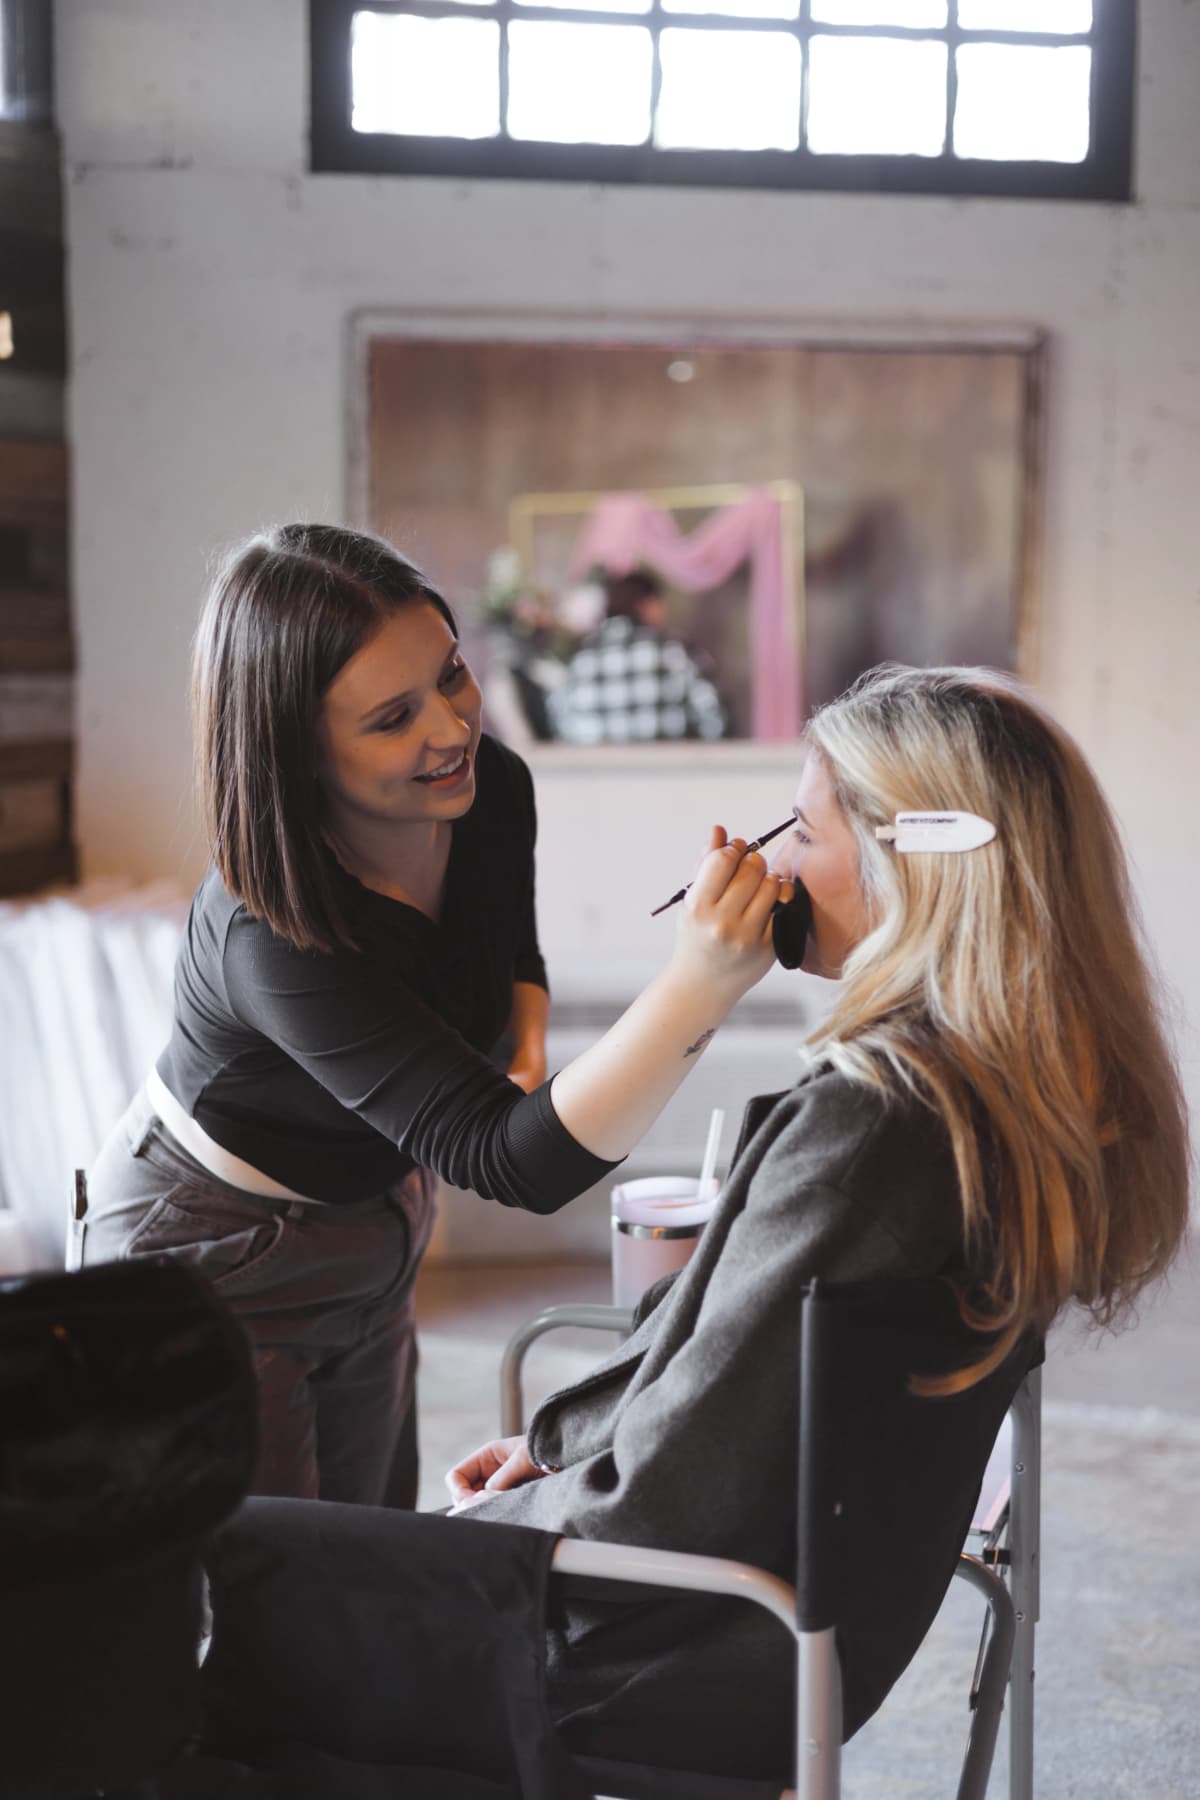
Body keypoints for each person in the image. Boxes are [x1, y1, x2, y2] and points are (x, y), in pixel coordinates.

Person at [446, 662, 1191, 1774]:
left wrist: (464, 1545)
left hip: (659, 1654)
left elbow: (667, 1497)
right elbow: (732, 1383)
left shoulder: (874, 1128)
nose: (775, 861)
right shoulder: (1012, 1105)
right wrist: (555, 1451)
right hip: (791, 1641)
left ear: (911, 863)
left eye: (801, 827)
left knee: (286, 1610)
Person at [81, 524, 792, 1508]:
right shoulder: (272, 935)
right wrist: (701, 982)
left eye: (453, 677)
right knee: (265, 1602)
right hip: (217, 1250)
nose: (452, 730)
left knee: (365, 1558)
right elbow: (518, 1165)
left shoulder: (490, 790)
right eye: (392, 718)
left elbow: (509, 953)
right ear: (293, 750)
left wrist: (530, 1037)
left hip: (378, 1214)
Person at [547, 568, 728, 744]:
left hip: (594, 771)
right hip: (667, 770)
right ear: (645, 604)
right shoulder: (672, 650)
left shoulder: (580, 657)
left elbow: (559, 721)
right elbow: (714, 714)